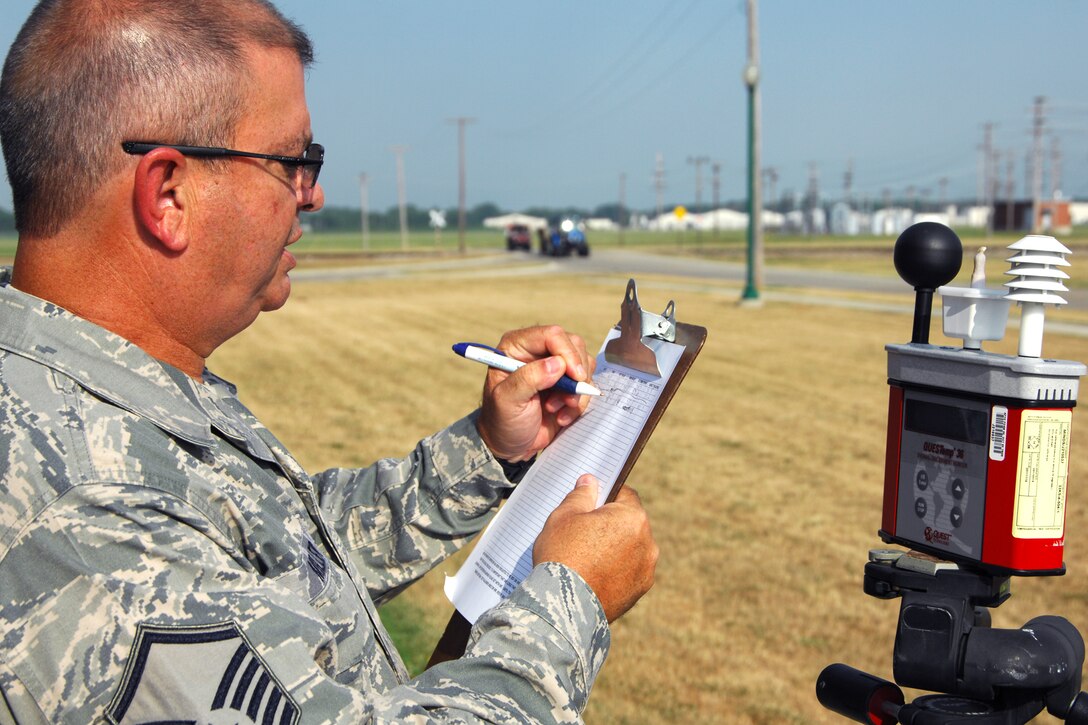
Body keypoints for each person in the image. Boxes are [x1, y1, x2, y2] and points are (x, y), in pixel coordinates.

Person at [0, 1, 658, 722]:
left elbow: (278, 565)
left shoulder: (92, 388)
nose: (312, 194)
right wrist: (570, 598)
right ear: (169, 194)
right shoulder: (87, 518)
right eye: (294, 160)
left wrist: (485, 449)